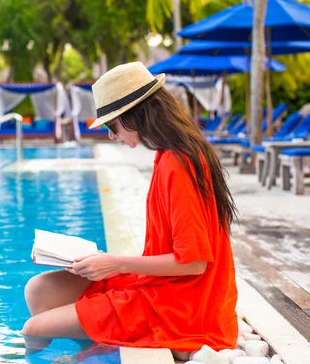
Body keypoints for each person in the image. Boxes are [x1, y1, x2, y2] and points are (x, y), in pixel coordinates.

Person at [22, 62, 238, 359]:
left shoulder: (178, 163)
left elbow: (194, 264)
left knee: (33, 329)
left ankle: (90, 350)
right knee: (38, 290)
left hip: (182, 305)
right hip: (164, 287)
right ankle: (97, 348)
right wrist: (106, 263)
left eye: (112, 125)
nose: (111, 135)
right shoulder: (168, 155)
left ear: (136, 115)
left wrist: (117, 264)